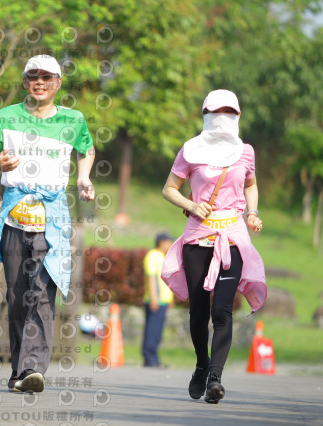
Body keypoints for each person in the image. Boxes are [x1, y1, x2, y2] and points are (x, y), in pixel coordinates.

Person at [0, 55, 95, 393]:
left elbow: (86, 148)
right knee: (16, 295)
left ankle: (32, 369)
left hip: (51, 217)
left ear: (58, 83)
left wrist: (83, 177)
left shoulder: (73, 119)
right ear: (25, 81)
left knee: (42, 292)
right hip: (14, 214)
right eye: (33, 77)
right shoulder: (5, 116)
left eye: (47, 77)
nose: (40, 82)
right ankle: (18, 369)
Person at [161, 89, 266, 404]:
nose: (223, 117)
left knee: (222, 310)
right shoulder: (190, 151)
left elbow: (251, 184)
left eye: (229, 111)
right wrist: (191, 206)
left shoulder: (245, 152)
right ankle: (201, 365)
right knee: (198, 312)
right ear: (205, 113)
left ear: (237, 116)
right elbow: (169, 189)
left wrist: (253, 212)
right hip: (197, 237)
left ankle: (216, 379)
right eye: (216, 111)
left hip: (231, 236)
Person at [141, 232, 175, 367]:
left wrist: (170, 298)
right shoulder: (153, 255)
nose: (170, 245)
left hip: (163, 300)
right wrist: (154, 298)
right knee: (152, 330)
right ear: (162, 242)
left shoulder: (162, 256)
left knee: (157, 331)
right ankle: (150, 358)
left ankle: (153, 357)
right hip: (156, 300)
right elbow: (151, 277)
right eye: (169, 242)